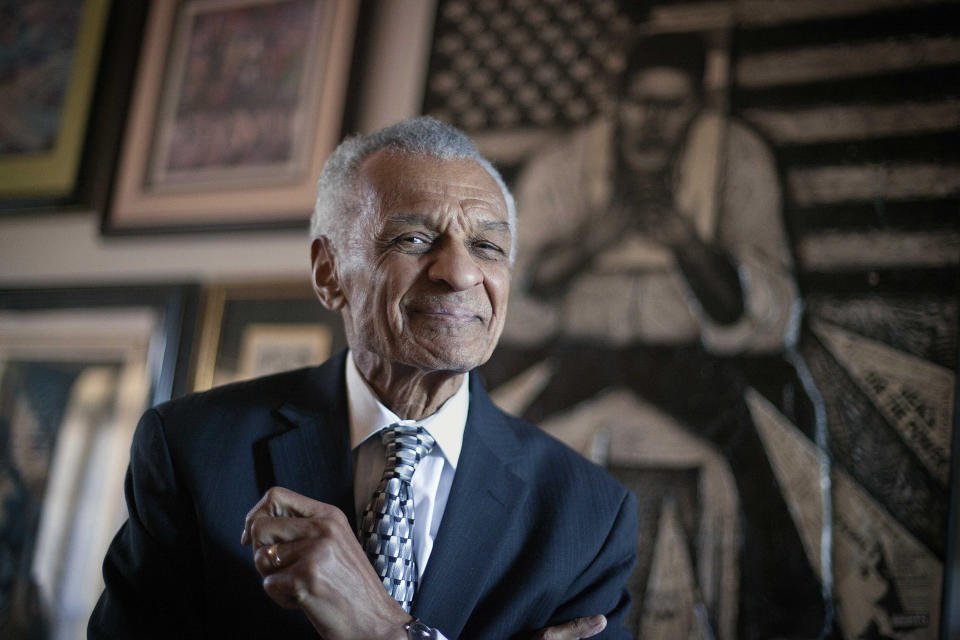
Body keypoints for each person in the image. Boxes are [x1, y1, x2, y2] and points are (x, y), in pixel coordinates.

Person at [87, 117, 638, 640]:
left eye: (486, 246)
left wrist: (380, 628)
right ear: (329, 274)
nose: (462, 272)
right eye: (414, 240)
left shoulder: (588, 518)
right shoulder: (190, 448)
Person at [490, 33, 827, 638]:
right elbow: (510, 296)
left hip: (689, 363)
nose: (654, 122)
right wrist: (596, 237)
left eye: (673, 106)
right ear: (617, 101)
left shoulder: (739, 158)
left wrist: (686, 244)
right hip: (580, 356)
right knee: (486, 447)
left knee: (773, 451)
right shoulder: (563, 165)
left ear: (699, 105)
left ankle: (784, 618)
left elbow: (772, 314)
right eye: (642, 103)